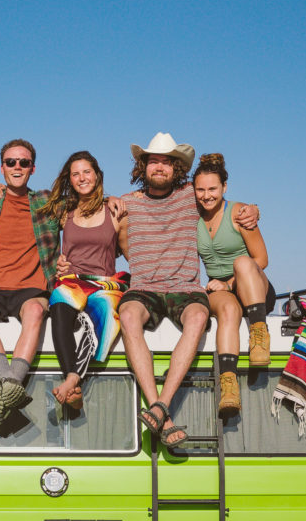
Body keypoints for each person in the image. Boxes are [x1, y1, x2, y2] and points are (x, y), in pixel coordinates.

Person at [117, 132, 258, 445]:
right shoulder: (125, 204)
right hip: (144, 288)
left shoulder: (190, 196)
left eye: (167, 162)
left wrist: (252, 209)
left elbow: (224, 202)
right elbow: (92, 227)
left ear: (176, 168)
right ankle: (162, 414)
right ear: (143, 166)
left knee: (197, 318)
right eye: (153, 160)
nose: (160, 167)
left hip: (185, 287)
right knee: (127, 316)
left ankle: (160, 405)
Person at [0, 139, 60, 426]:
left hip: (30, 285)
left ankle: (5, 390)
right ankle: (11, 386)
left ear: (33, 168)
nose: (17, 167)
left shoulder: (47, 201)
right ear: (2, 168)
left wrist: (114, 200)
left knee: (35, 312)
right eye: (11, 162)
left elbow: (86, 200)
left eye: (23, 162)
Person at [45, 150, 129, 412]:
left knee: (106, 315)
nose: (82, 178)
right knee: (58, 304)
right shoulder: (63, 212)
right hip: (72, 280)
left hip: (105, 282)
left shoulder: (115, 211)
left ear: (97, 174)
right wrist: (55, 263)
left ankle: (71, 379)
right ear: (69, 180)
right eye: (75, 174)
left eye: (87, 172)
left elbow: (131, 255)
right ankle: (74, 380)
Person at [194, 152, 274, 417]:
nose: (207, 195)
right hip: (220, 290)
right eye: (201, 190)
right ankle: (229, 388)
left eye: (213, 189)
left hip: (252, 287)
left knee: (242, 262)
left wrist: (229, 283)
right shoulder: (192, 219)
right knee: (227, 311)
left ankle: (259, 336)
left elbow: (261, 259)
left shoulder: (239, 213)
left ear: (224, 188)